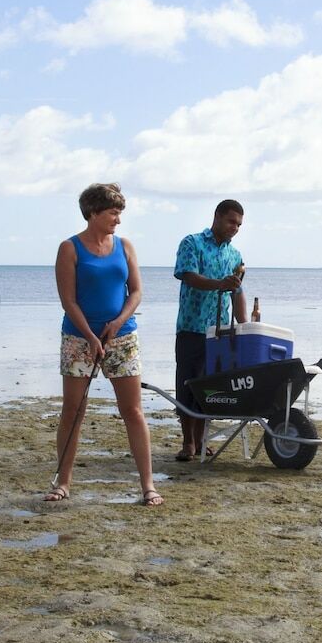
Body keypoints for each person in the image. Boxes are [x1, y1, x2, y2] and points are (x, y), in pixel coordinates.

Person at [46, 182, 162, 506]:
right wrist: (90, 335)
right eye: (113, 213)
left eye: (120, 213)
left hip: (122, 337)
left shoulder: (125, 246)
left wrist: (118, 322)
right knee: (73, 410)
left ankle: (148, 485)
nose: (118, 220)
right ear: (93, 212)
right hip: (78, 338)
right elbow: (68, 300)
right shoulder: (69, 248)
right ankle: (63, 483)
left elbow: (136, 292)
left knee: (133, 411)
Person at [170, 199, 246, 461]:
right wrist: (219, 284)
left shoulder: (234, 255)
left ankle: (202, 440)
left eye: (239, 224)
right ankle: (188, 442)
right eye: (231, 221)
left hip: (219, 332)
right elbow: (188, 276)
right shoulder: (192, 243)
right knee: (187, 385)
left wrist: (245, 327)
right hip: (191, 327)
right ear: (217, 217)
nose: (235, 227)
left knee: (208, 388)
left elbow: (237, 291)